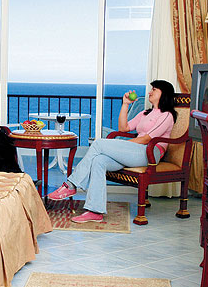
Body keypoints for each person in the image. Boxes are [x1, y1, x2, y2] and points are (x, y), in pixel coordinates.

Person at [48, 79, 177, 223]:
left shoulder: (167, 115)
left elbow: (147, 139)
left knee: (98, 144)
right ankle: (95, 211)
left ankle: (71, 185)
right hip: (135, 151)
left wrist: (122, 146)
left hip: (149, 153)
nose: (150, 92)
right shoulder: (145, 113)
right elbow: (123, 128)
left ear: (164, 93)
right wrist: (125, 104)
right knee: (99, 161)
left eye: (154, 89)